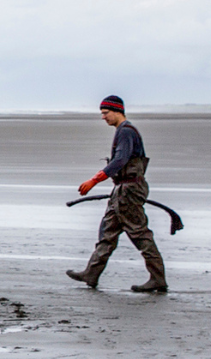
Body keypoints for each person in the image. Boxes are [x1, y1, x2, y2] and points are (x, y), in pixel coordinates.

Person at [67, 96, 167, 292]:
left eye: (105, 113)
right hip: (121, 190)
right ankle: (91, 273)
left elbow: (120, 159)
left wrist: (95, 180)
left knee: (140, 234)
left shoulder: (126, 132)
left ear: (117, 111)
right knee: (108, 232)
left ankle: (158, 278)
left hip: (129, 191)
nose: (103, 117)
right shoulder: (123, 131)